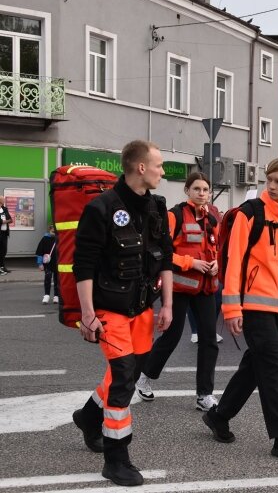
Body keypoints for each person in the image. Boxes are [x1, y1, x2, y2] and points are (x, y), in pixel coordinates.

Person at [70, 140, 174, 486]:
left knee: (129, 371)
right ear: (140, 168)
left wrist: (168, 305)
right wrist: (87, 315)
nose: (162, 170)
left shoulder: (158, 207)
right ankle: (117, 459)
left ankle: (88, 416)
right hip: (109, 309)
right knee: (124, 377)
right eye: (158, 165)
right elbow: (82, 266)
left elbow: (167, 260)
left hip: (143, 307)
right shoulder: (101, 208)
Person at [201, 157, 278, 464]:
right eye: (270, 181)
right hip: (252, 306)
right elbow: (234, 263)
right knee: (273, 367)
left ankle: (218, 415)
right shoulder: (250, 214)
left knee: (255, 366)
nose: (273, 187)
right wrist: (232, 309)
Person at [134, 173, 221, 410]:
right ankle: (145, 378)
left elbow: (221, 248)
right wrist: (190, 263)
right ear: (187, 190)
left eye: (205, 189)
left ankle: (205, 395)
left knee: (209, 340)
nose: (201, 193)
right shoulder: (175, 215)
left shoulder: (214, 215)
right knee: (171, 337)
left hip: (205, 288)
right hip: (179, 287)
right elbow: (162, 251)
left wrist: (217, 264)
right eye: (196, 188)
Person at [36, 224, 59, 303]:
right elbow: (40, 252)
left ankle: (56, 295)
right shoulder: (45, 239)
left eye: (55, 231)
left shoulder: (58, 239)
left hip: (57, 263)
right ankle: (46, 295)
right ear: (49, 230)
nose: (54, 233)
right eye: (52, 231)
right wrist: (40, 263)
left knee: (57, 280)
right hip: (48, 264)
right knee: (47, 278)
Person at [0, 195, 11, 274]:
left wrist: (4, 221)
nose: (4, 201)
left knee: (4, 251)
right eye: (3, 199)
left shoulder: (4, 209)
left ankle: (3, 267)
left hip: (4, 233)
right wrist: (4, 221)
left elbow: (10, 219)